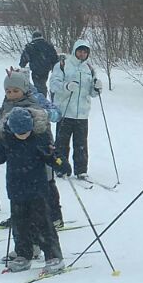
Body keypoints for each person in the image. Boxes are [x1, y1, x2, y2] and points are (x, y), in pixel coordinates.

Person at [0, 106, 65, 274]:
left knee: (43, 225)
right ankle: (23, 255)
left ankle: (53, 257)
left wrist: (60, 163)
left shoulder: (39, 140)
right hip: (16, 190)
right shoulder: (7, 141)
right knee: (20, 225)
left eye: (26, 131)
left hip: (37, 190)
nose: (23, 135)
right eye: (19, 132)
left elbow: (52, 157)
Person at [0, 68, 64, 229]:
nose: (12, 93)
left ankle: (54, 216)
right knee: (21, 186)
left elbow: (56, 113)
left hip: (39, 147)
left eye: (15, 90)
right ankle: (19, 217)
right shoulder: (8, 102)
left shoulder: (36, 98)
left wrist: (42, 114)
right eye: (8, 90)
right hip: (17, 150)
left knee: (46, 181)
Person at [48, 39, 102, 180]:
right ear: (74, 51)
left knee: (81, 145)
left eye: (85, 52)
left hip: (82, 114)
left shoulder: (89, 68)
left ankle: (81, 170)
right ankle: (61, 168)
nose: (82, 54)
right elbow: (53, 84)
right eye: (80, 51)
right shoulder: (63, 65)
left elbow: (92, 93)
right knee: (61, 144)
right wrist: (66, 86)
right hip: (65, 112)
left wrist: (97, 88)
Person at [19, 30, 59, 99]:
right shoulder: (48, 45)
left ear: (33, 37)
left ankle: (41, 100)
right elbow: (54, 58)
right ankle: (43, 98)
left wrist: (22, 65)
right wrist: (54, 68)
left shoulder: (30, 46)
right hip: (46, 69)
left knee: (38, 86)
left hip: (36, 70)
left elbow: (24, 59)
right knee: (42, 84)